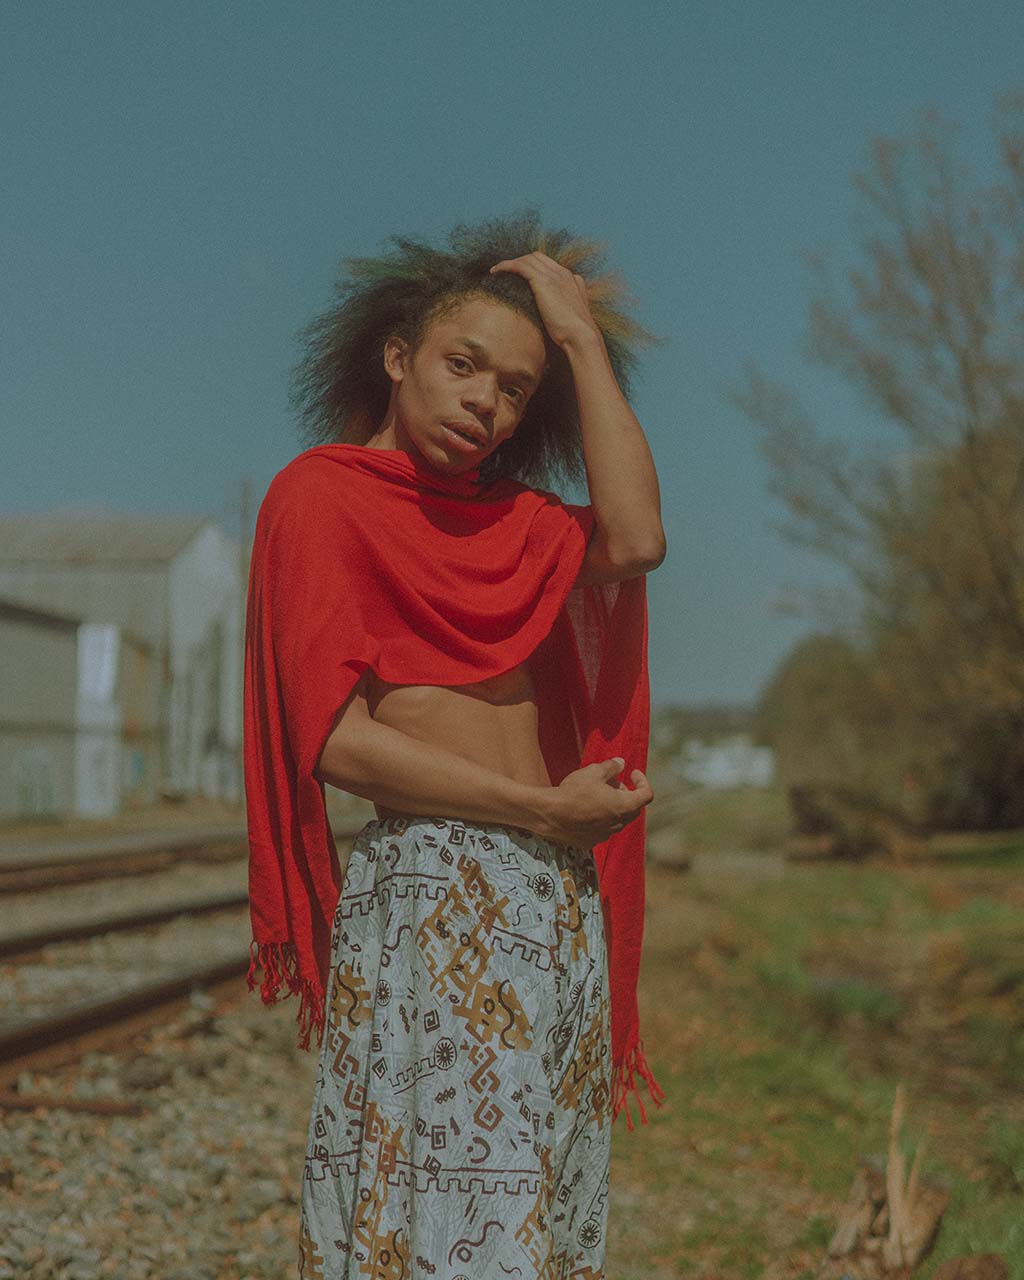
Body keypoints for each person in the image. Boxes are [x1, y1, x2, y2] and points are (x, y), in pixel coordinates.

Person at [243, 211, 666, 1279]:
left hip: (555, 893)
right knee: (445, 1213)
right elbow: (335, 742)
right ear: (398, 357)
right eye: (463, 364)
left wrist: (580, 338)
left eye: (516, 387)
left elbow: (638, 537)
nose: (484, 399)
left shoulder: (520, 526)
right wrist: (537, 808)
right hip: (436, 887)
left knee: (533, 1206)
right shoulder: (320, 496)